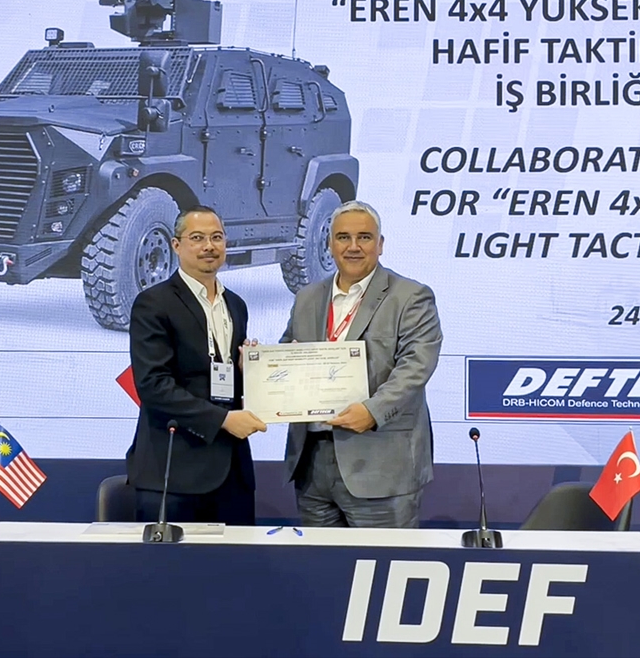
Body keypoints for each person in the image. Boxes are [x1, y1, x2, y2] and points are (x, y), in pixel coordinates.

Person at [281, 200, 442, 528]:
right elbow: (288, 352)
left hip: (381, 464)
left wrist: (372, 410)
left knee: (383, 561)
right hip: (312, 465)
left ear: (380, 244)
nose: (353, 246)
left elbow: (416, 367)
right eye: (343, 237)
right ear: (329, 244)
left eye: (364, 237)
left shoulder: (411, 296)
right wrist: (259, 367)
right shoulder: (307, 297)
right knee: (320, 561)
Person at [126, 205, 267, 525]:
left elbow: (221, 380)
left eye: (217, 237)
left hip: (233, 472)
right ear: (176, 245)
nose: (209, 246)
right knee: (174, 561)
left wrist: (250, 371)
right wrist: (223, 420)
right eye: (197, 238)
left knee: (237, 558)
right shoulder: (154, 303)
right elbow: (153, 386)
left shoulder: (236, 305)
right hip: (174, 470)